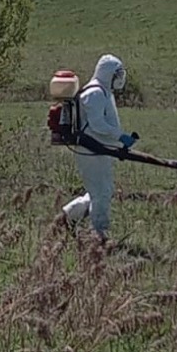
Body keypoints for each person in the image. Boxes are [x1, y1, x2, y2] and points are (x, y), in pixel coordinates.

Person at [58, 54, 137, 244]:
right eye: (117, 74)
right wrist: (120, 136)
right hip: (89, 150)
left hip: (98, 149)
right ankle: (99, 235)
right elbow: (97, 125)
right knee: (100, 192)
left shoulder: (103, 91)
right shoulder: (95, 93)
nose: (119, 79)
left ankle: (67, 216)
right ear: (108, 74)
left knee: (103, 190)